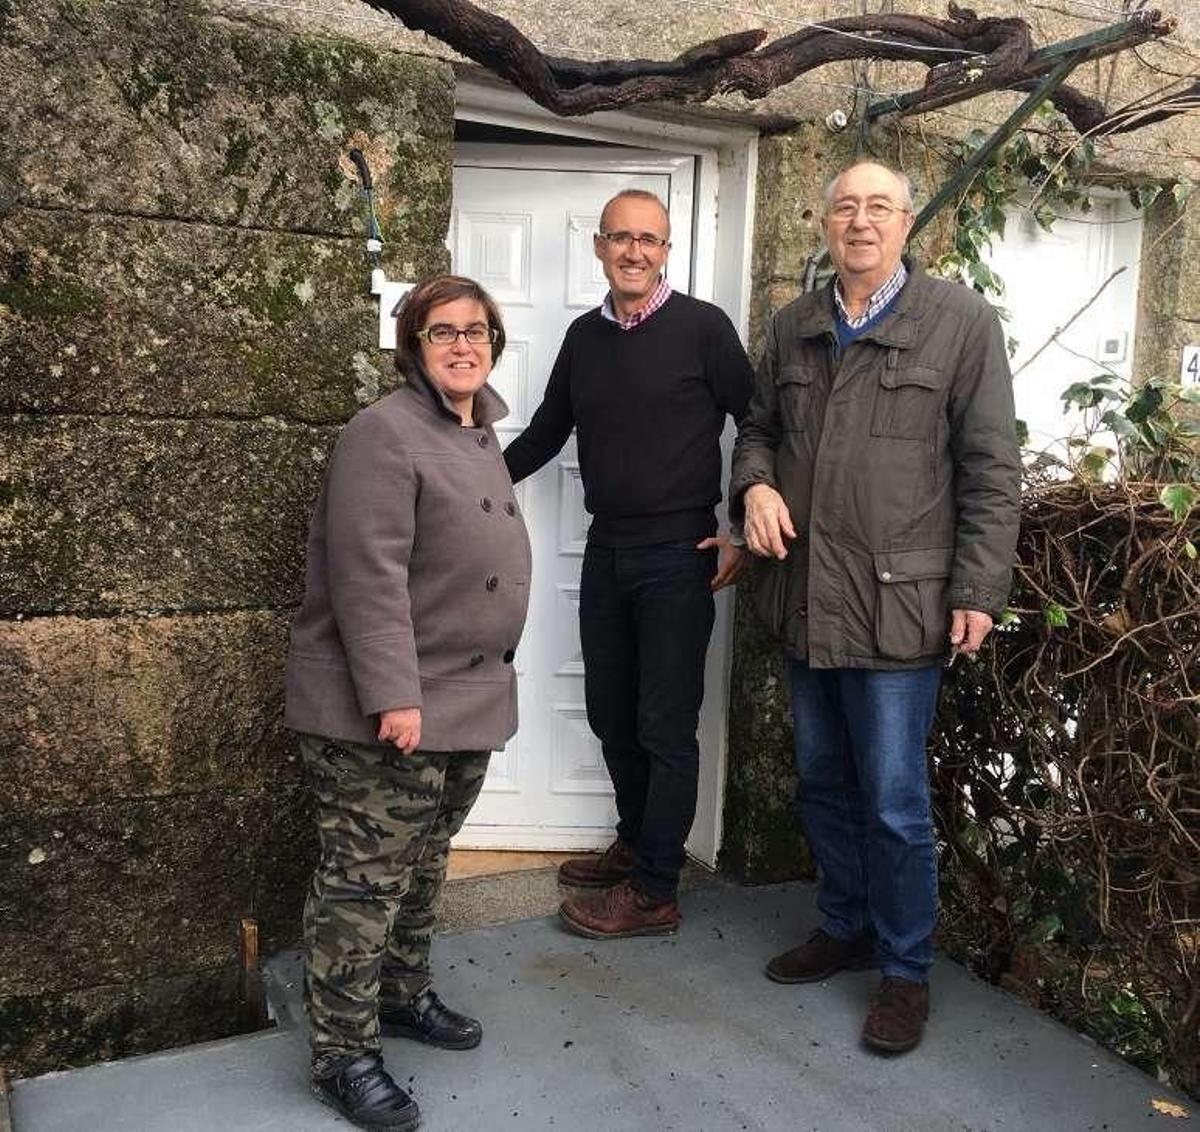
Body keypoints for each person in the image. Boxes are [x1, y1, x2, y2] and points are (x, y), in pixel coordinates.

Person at [730, 160, 1020, 1054]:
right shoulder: (794, 325)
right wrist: (754, 489)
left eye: (880, 208)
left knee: (894, 802)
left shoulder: (960, 323)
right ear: (825, 224)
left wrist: (978, 590)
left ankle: (904, 972)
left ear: (906, 224)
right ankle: (846, 921)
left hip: (899, 608)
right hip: (806, 599)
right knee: (822, 781)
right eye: (846, 207)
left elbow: (990, 470)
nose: (861, 222)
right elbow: (756, 431)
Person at [284, 274, 531, 1130]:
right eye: (441, 332)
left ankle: (401, 995)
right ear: (413, 348)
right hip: (390, 710)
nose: (463, 345)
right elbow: (369, 577)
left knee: (423, 868)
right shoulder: (382, 434)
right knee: (364, 885)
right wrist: (393, 696)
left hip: (463, 700)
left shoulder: (478, 430)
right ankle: (342, 1055)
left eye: (476, 330)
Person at [504, 189, 754, 939]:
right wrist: (470, 476)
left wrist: (740, 522)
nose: (635, 251)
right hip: (607, 550)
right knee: (612, 714)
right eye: (621, 238)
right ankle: (637, 839)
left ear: (667, 250)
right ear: (600, 247)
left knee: (663, 725)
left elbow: (761, 422)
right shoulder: (584, 337)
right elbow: (548, 429)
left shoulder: (704, 329)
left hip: (680, 556)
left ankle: (655, 891)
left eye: (650, 239)